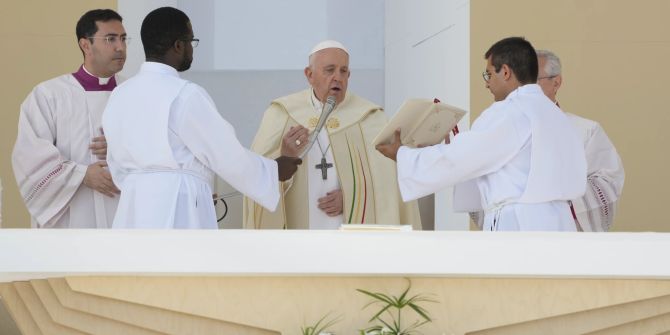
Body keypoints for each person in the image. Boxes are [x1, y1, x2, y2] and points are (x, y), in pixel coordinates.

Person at [102, 7, 301, 229]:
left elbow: (115, 164)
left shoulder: (120, 93)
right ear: (178, 45)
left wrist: (143, 186)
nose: (191, 49)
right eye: (190, 41)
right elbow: (225, 153)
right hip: (179, 204)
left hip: (133, 207)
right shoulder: (185, 94)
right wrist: (273, 171)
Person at [377, 37, 587, 231]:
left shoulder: (510, 111)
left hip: (519, 226)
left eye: (488, 74)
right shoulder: (555, 114)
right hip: (559, 225)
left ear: (505, 72)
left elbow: (461, 159)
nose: (486, 83)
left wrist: (404, 155)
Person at [244, 40, 420, 230]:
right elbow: (256, 176)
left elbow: (389, 182)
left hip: (350, 233)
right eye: (330, 70)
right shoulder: (282, 114)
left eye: (343, 71)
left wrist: (353, 198)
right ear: (309, 75)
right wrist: (284, 157)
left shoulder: (370, 118)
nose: (338, 77)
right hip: (299, 233)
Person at [12, 9, 126, 228]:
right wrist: (81, 175)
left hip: (123, 213)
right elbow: (28, 155)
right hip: (72, 217)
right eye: (110, 39)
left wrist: (121, 149)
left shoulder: (135, 93)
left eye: (122, 38)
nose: (120, 47)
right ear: (85, 45)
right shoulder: (49, 95)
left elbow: (158, 148)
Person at [536, 50, 625, 231]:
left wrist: (557, 198)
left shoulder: (586, 130)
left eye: (534, 80)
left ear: (556, 82)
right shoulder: (505, 131)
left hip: (566, 233)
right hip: (515, 236)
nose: (526, 89)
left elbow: (607, 180)